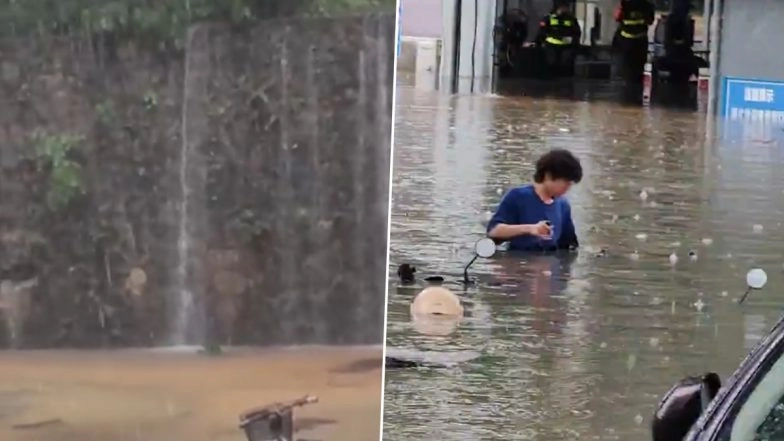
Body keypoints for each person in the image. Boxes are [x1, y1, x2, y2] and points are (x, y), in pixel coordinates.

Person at [486, 149, 581, 252]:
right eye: (565, 182)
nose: (567, 188)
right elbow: (493, 231)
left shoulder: (563, 205)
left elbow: (567, 248)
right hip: (518, 263)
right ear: (548, 176)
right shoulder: (518, 196)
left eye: (570, 184)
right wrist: (530, 229)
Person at [612, 0, 655, 86]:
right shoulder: (647, 5)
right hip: (637, 41)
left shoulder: (625, 4)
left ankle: (629, 87)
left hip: (628, 41)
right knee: (636, 71)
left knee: (628, 70)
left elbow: (617, 17)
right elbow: (650, 20)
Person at [535, 0, 581, 78]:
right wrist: (539, 42)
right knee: (552, 64)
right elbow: (542, 31)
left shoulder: (571, 19)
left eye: (566, 7)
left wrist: (575, 43)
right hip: (551, 45)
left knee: (565, 65)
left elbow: (577, 32)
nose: (565, 9)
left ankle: (563, 83)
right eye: (563, 7)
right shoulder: (549, 18)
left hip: (566, 46)